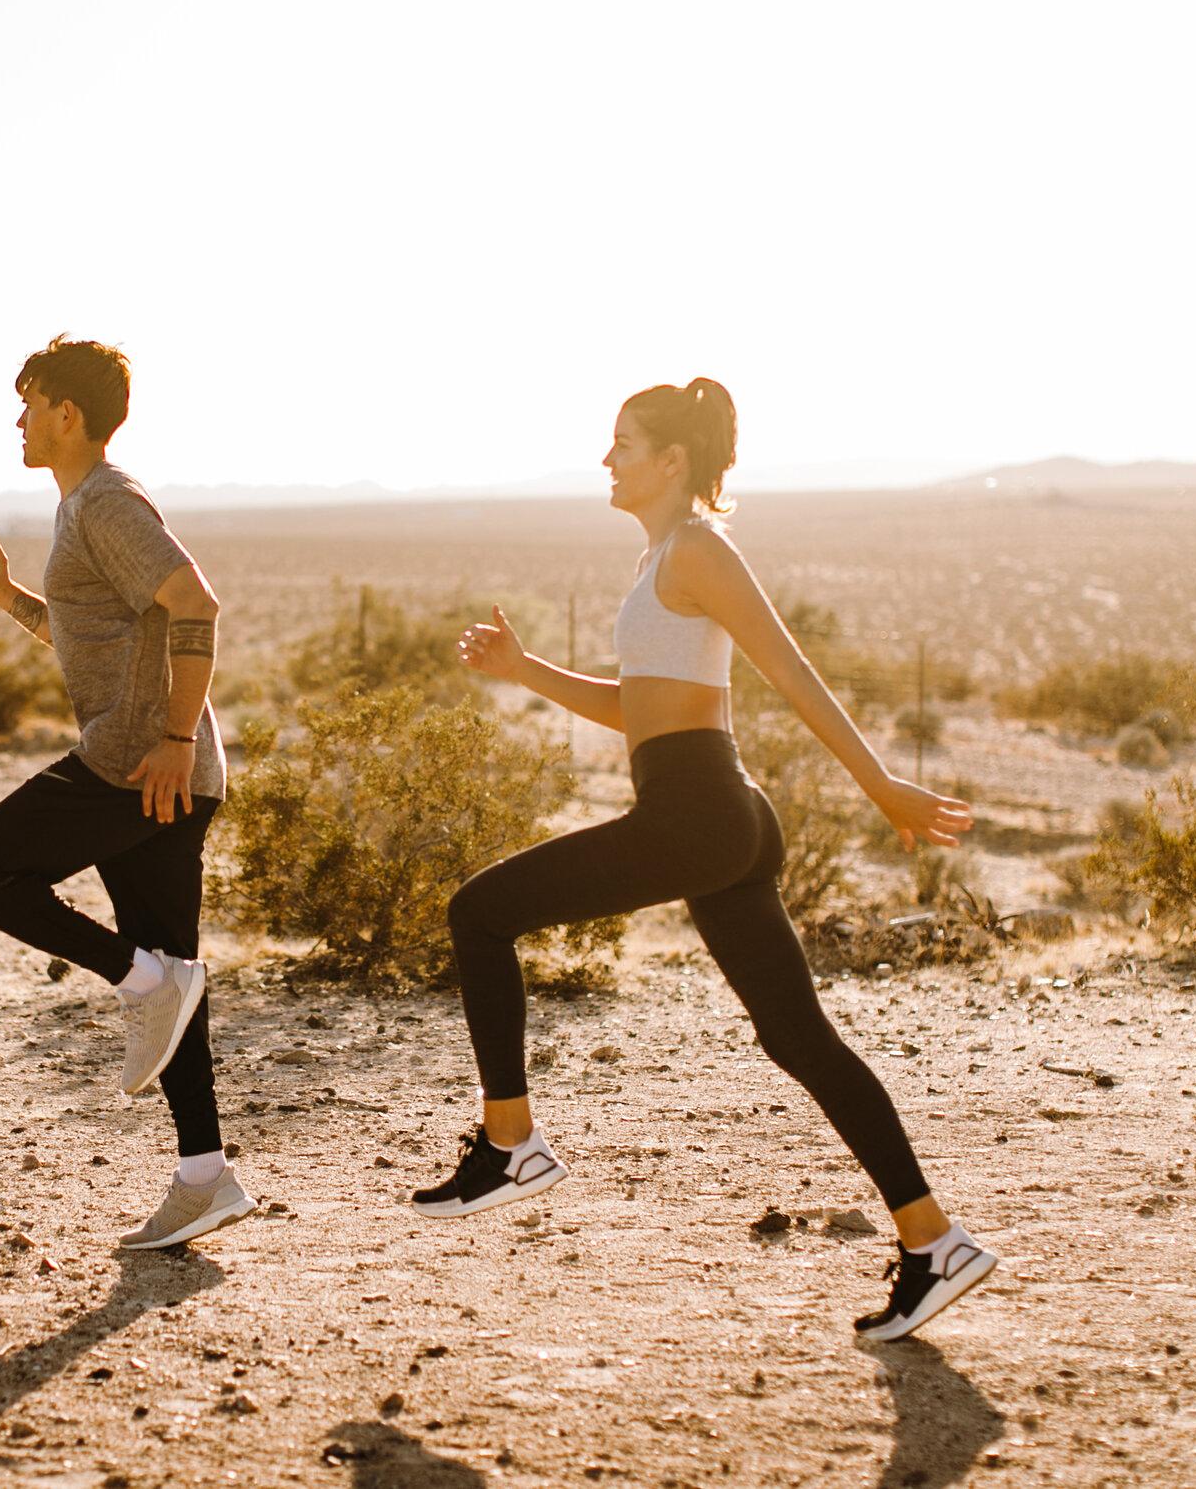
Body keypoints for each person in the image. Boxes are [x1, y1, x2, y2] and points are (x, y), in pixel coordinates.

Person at [414, 378, 998, 1341]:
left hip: (699, 815)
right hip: (714, 816)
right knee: (798, 1040)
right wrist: (525, 672)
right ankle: (933, 1240)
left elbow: (791, 669)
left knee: (479, 912)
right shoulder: (659, 559)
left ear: (672, 460)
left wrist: (882, 785)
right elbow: (639, 707)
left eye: (624, 442)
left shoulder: (697, 550)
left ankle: (510, 1139)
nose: (607, 458)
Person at [0, 335, 255, 1249]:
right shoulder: (84, 509)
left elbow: (196, 604)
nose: (20, 420)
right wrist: (7, 598)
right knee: (177, 990)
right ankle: (206, 1176)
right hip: (163, 773)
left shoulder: (107, 502)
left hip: (137, 765)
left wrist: (169, 738)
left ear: (67, 413)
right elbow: (95, 636)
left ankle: (139, 976)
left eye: (29, 402)